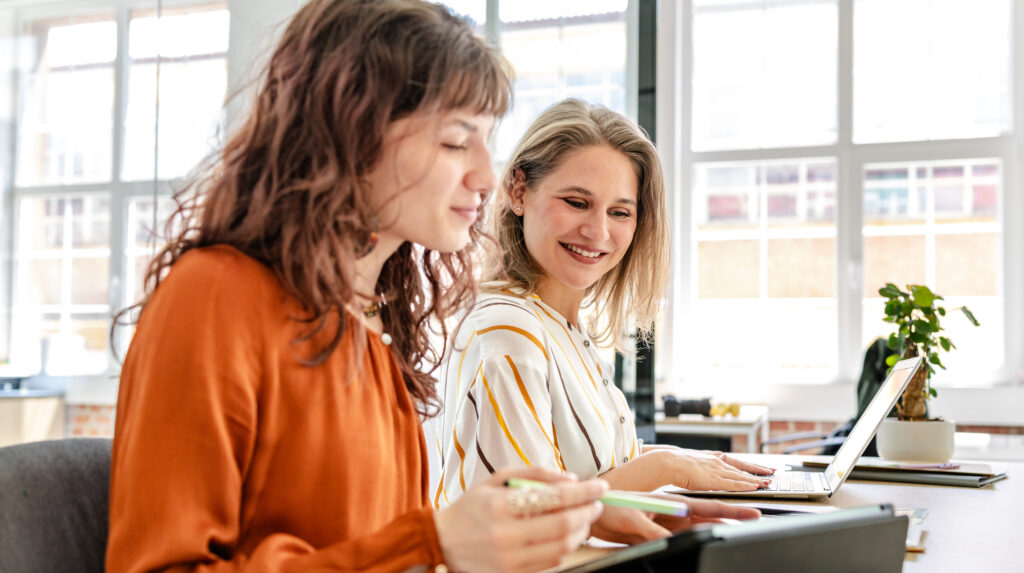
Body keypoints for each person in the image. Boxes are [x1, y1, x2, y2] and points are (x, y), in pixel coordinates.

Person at [105, 3, 613, 572]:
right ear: (353, 134)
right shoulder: (214, 297)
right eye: (454, 142)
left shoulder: (376, 324)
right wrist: (431, 544)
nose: (487, 177)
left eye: (486, 141)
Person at [435, 99, 775, 510]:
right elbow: (529, 513)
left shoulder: (565, 329)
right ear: (518, 191)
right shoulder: (510, 332)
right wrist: (666, 465)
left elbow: (587, 471)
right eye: (577, 203)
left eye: (620, 211)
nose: (598, 231)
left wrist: (682, 460)